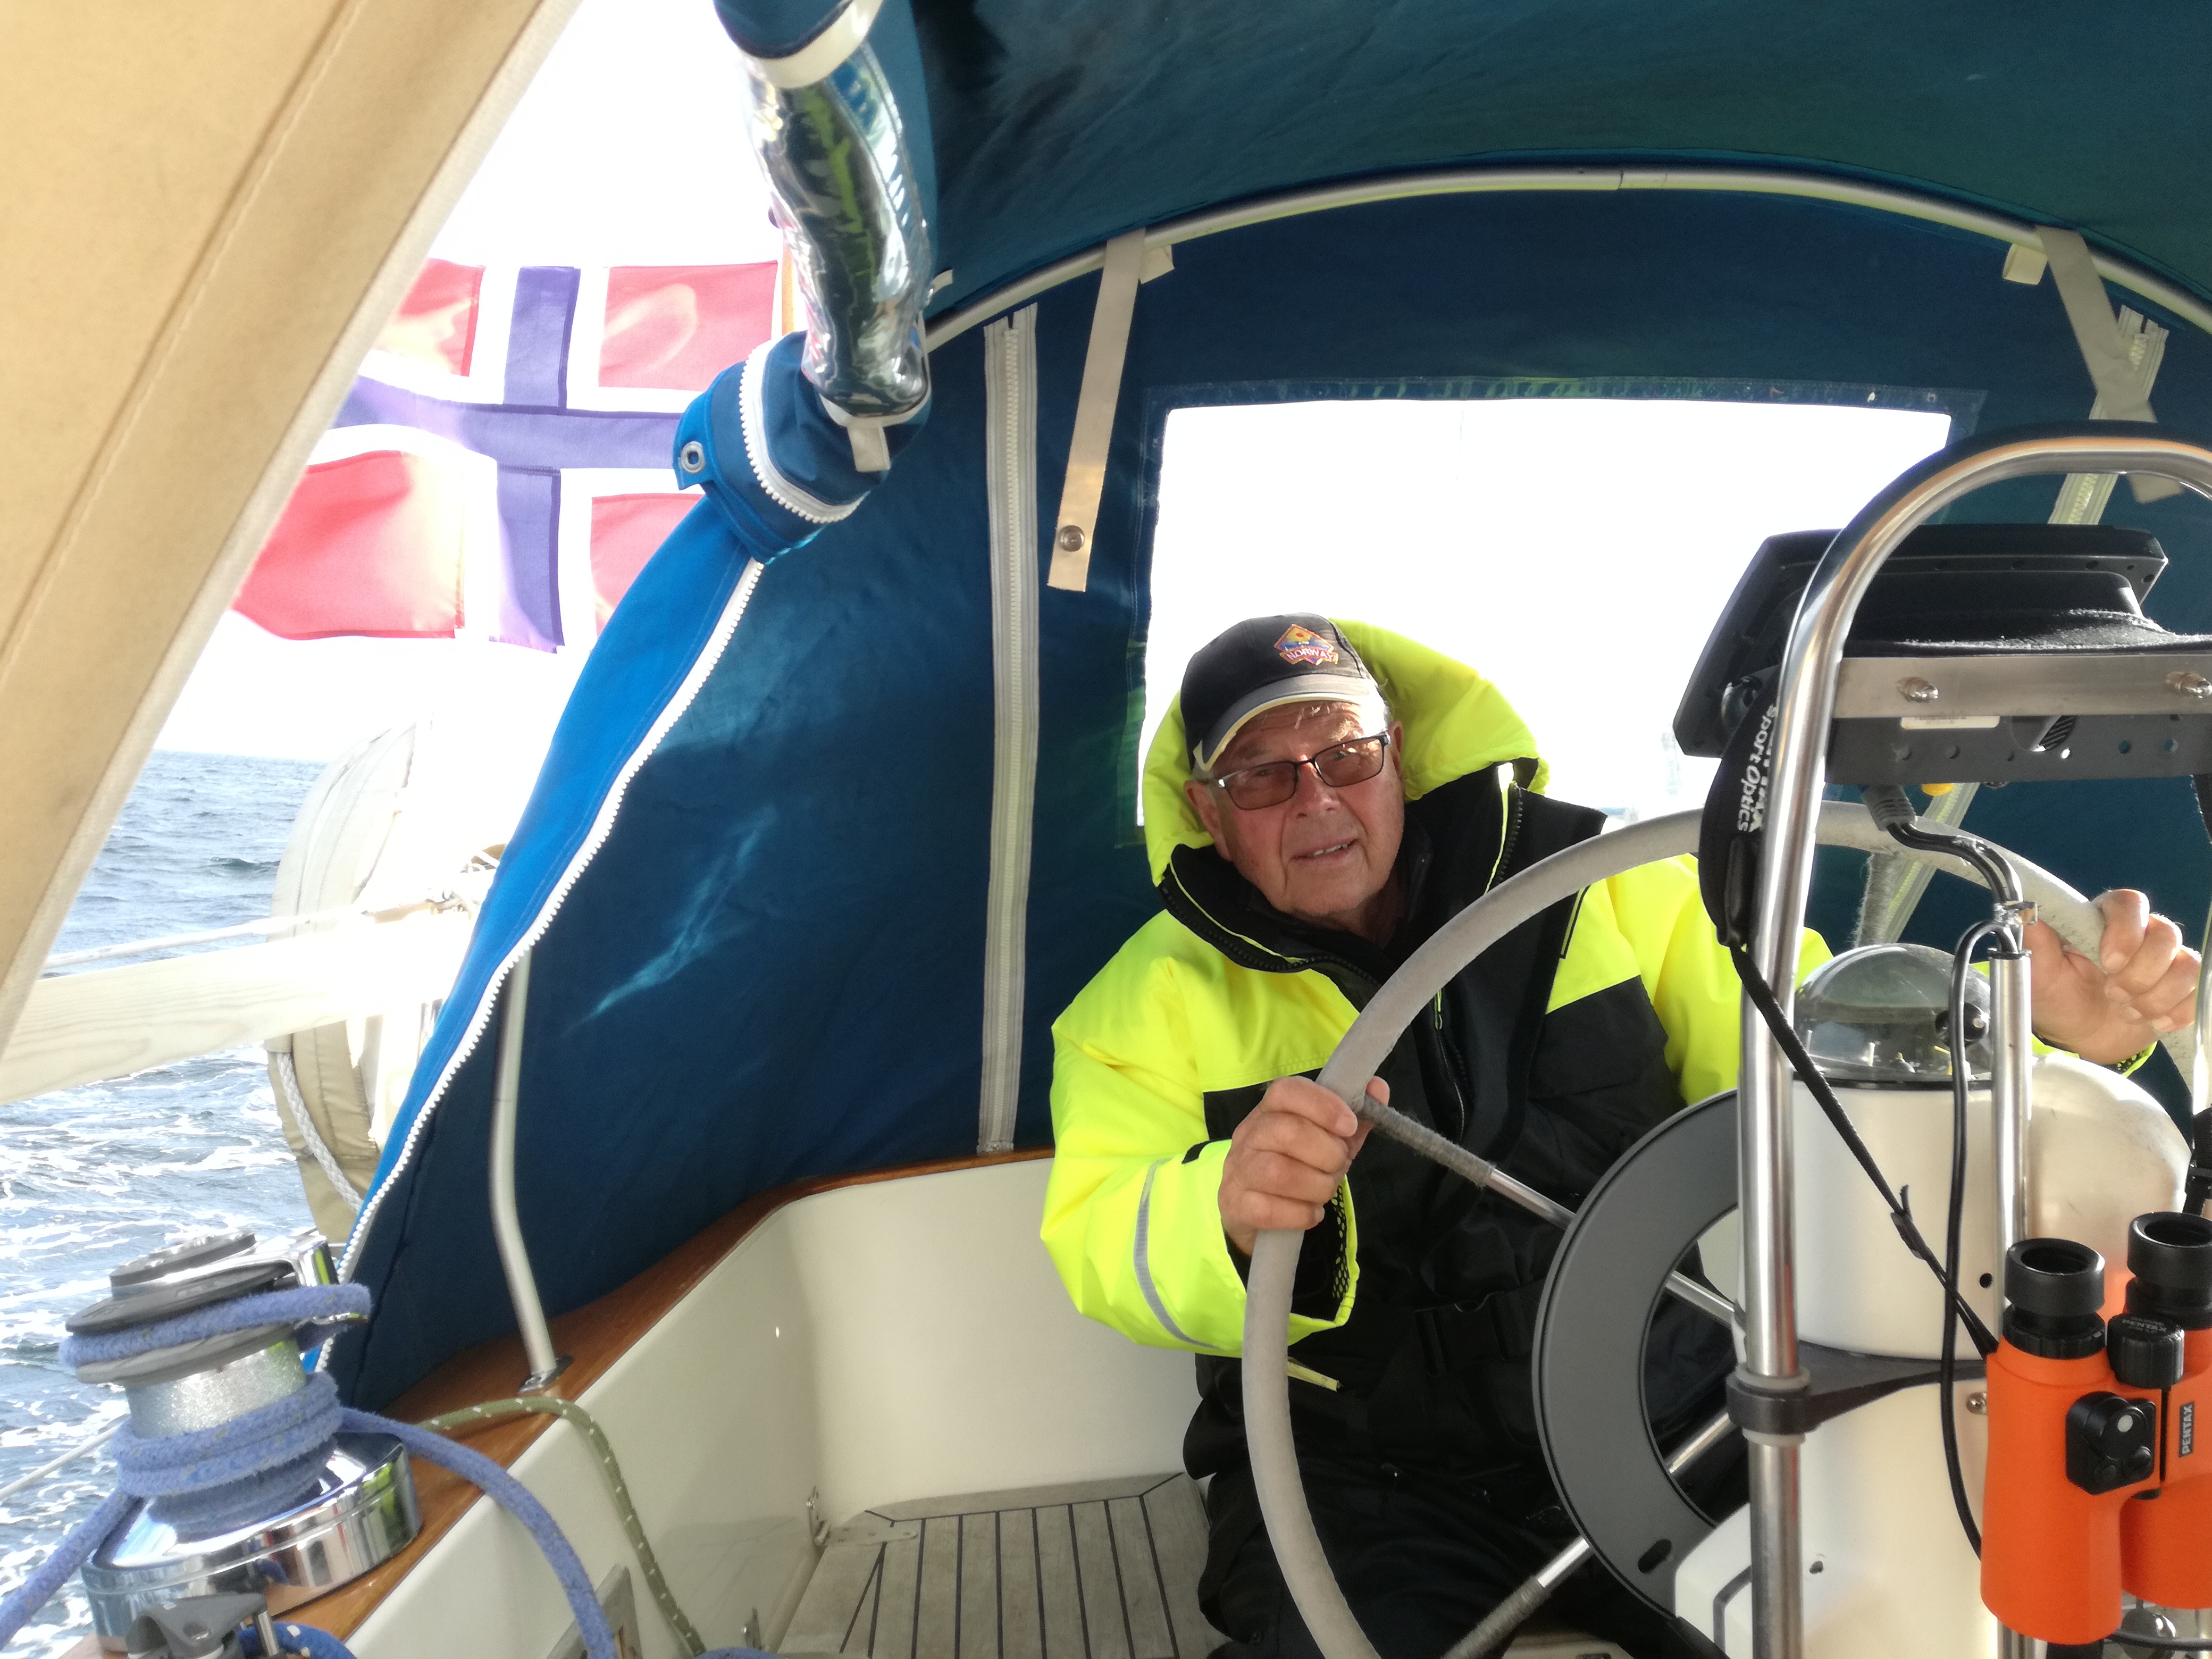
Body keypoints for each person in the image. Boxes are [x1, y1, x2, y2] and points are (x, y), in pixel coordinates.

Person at [1040, 614, 2199, 1659]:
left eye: (1346, 755)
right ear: (1207, 811)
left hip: (1682, 1430)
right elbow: (1101, 1236)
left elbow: (1828, 1084)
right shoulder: (1133, 1014)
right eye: (1261, 777)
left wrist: (2063, 1046)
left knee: (1889, 1618)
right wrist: (1226, 1213)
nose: (1317, 800)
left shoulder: (1619, 892)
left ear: (1399, 756)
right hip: (1362, 1478)